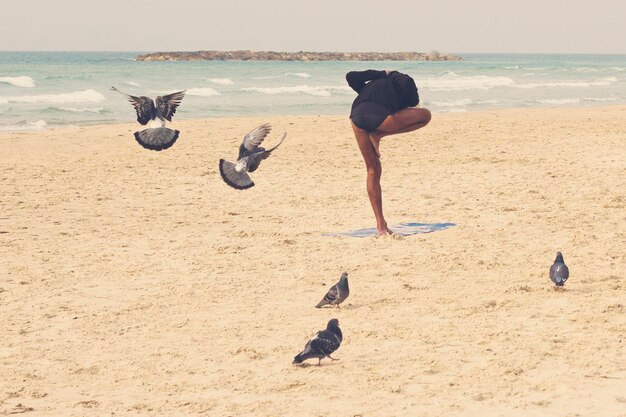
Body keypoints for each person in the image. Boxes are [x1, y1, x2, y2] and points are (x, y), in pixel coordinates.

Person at [346, 69, 431, 236]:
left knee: (372, 170)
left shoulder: (373, 84)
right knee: (426, 116)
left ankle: (380, 225)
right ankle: (378, 134)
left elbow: (350, 76)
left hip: (356, 118)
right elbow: (411, 107)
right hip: (380, 118)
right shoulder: (403, 88)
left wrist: (382, 72)